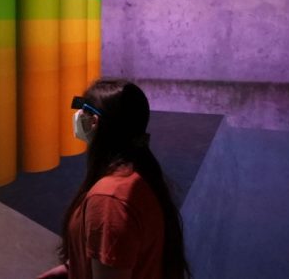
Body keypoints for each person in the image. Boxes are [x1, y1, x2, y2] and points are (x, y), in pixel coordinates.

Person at [38, 79, 191, 279]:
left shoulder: (108, 199)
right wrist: (72, 269)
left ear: (94, 121)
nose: (76, 116)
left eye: (82, 109)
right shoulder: (135, 177)